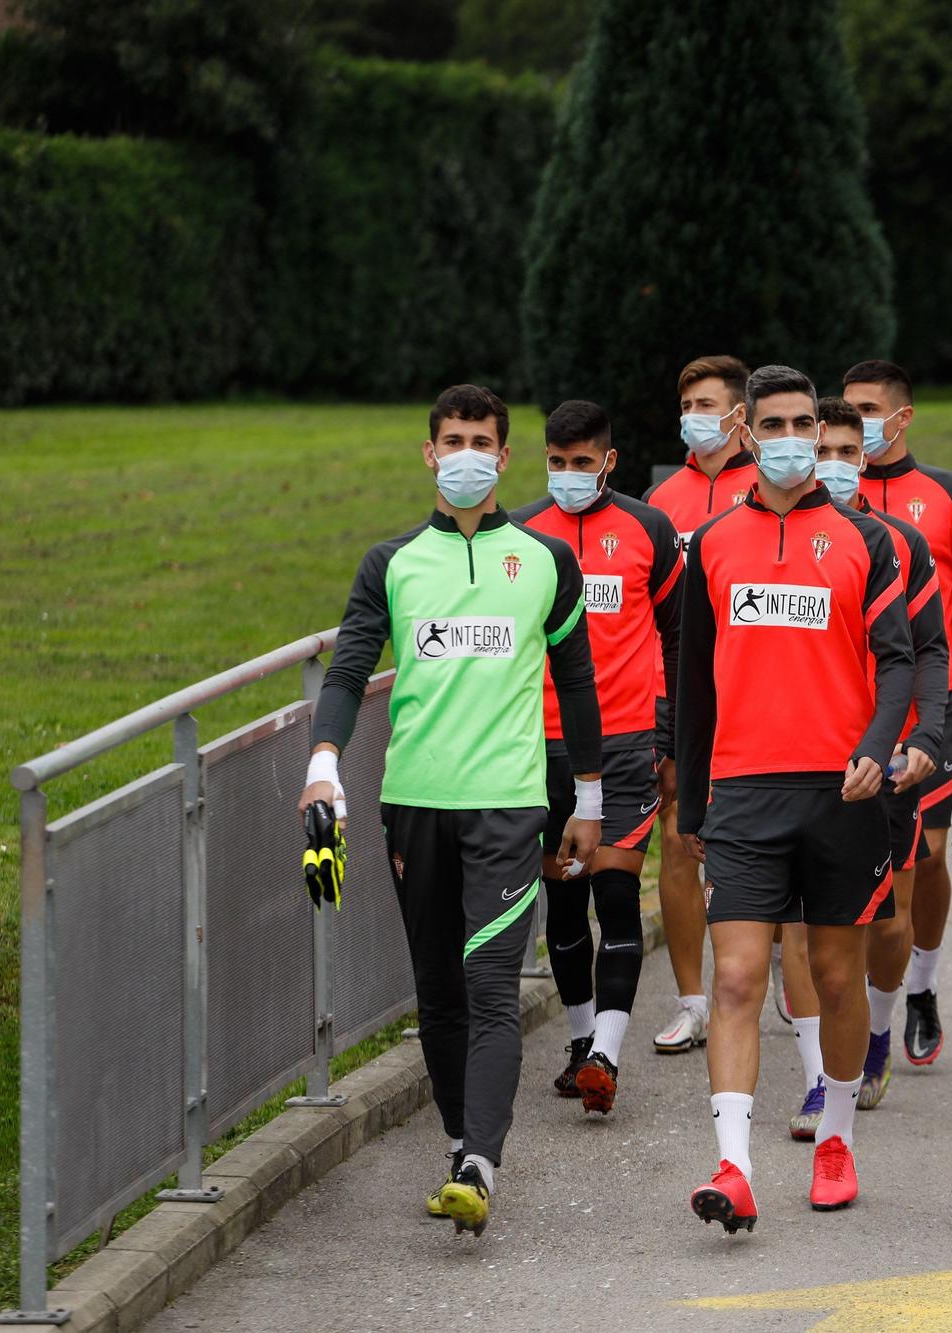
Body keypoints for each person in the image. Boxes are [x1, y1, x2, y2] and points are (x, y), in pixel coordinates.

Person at [299, 385, 601, 1236]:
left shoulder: (545, 560)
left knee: (491, 985)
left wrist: (588, 797)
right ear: (429, 453)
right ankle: (462, 1138)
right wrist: (324, 764)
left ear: (505, 458)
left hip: (509, 805)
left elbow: (574, 682)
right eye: (452, 439)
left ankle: (480, 1162)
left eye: (483, 441)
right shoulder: (389, 563)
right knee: (438, 992)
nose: (467, 453)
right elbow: (351, 669)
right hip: (412, 805)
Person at [677, 365, 914, 1231]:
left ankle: (837, 1136)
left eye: (799, 423)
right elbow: (694, 687)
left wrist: (876, 750)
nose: (785, 438)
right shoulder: (710, 544)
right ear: (747, 432)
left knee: (835, 976)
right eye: (768, 423)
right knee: (738, 976)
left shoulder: (867, 540)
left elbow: (897, 659)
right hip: (742, 790)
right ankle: (734, 1166)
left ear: (820, 432)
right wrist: (693, 808)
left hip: (841, 791)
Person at [779, 397, 951, 1133]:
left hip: (886, 768)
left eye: (851, 452)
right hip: (792, 764)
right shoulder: (774, 538)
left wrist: (928, 737)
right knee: (799, 925)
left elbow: (932, 650)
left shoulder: (899, 543)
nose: (837, 466)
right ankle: (821, 1078)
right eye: (826, 450)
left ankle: (877, 1030)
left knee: (885, 926)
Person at [515, 401, 681, 1115]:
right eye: (558, 462)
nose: (570, 475)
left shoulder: (649, 529)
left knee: (615, 893)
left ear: (610, 461)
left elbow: (677, 638)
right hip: (541, 745)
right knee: (564, 899)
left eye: (584, 463)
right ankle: (581, 1044)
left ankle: (608, 1054)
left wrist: (669, 737)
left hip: (624, 743)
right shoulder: (519, 535)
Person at [845, 358, 952, 1069]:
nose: (856, 422)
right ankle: (851, 998)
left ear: (902, 416)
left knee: (930, 858)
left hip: (933, 708)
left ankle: (923, 986)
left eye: (869, 409)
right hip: (845, 702)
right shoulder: (820, 496)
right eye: (845, 411)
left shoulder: (950, 496)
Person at [643, 354, 759, 1055]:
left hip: (757, 692)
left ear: (739, 415)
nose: (694, 415)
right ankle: (693, 1000)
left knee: (760, 838)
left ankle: (767, 963)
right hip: (680, 693)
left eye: (707, 403)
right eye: (687, 401)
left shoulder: (767, 487)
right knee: (680, 835)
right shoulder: (662, 502)